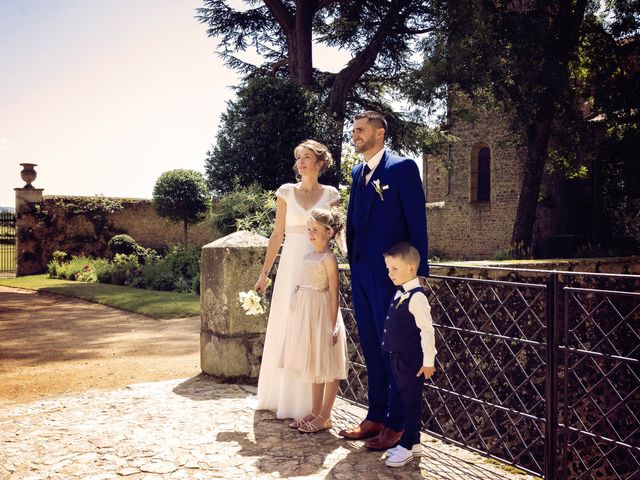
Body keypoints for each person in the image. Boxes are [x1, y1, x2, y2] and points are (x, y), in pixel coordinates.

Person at [341, 111, 429, 451]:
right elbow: (354, 220)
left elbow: (417, 222)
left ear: (379, 134)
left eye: (361, 130)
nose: (355, 135)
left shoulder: (402, 168)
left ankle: (397, 424)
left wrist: (418, 274)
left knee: (394, 349)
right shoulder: (357, 172)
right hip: (362, 273)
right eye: (354, 130)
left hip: (392, 276)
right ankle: (375, 415)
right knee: (371, 346)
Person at [254, 139, 341, 420]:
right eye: (298, 158)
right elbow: (277, 234)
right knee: (286, 324)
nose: (301, 162)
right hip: (291, 263)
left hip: (318, 266)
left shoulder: (331, 194)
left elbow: (338, 232)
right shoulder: (285, 192)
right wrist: (264, 273)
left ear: (319, 163)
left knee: (313, 328)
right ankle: (279, 397)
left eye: (306, 157)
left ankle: (312, 407)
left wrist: (349, 253)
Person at [278, 208, 348, 433]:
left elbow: (334, 292)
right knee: (315, 364)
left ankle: (326, 415)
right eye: (309, 229)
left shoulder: (329, 259)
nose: (310, 234)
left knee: (329, 365)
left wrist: (333, 324)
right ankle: (314, 410)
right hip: (306, 316)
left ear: (329, 233)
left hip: (322, 315)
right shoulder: (308, 256)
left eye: (315, 230)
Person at [380, 242, 436, 467]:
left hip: (410, 360)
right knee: (405, 400)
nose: (389, 273)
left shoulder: (417, 297)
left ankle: (405, 446)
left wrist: (428, 362)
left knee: (411, 403)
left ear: (411, 268)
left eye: (394, 268)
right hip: (397, 358)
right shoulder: (399, 291)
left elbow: (427, 330)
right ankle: (415, 443)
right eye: (387, 268)